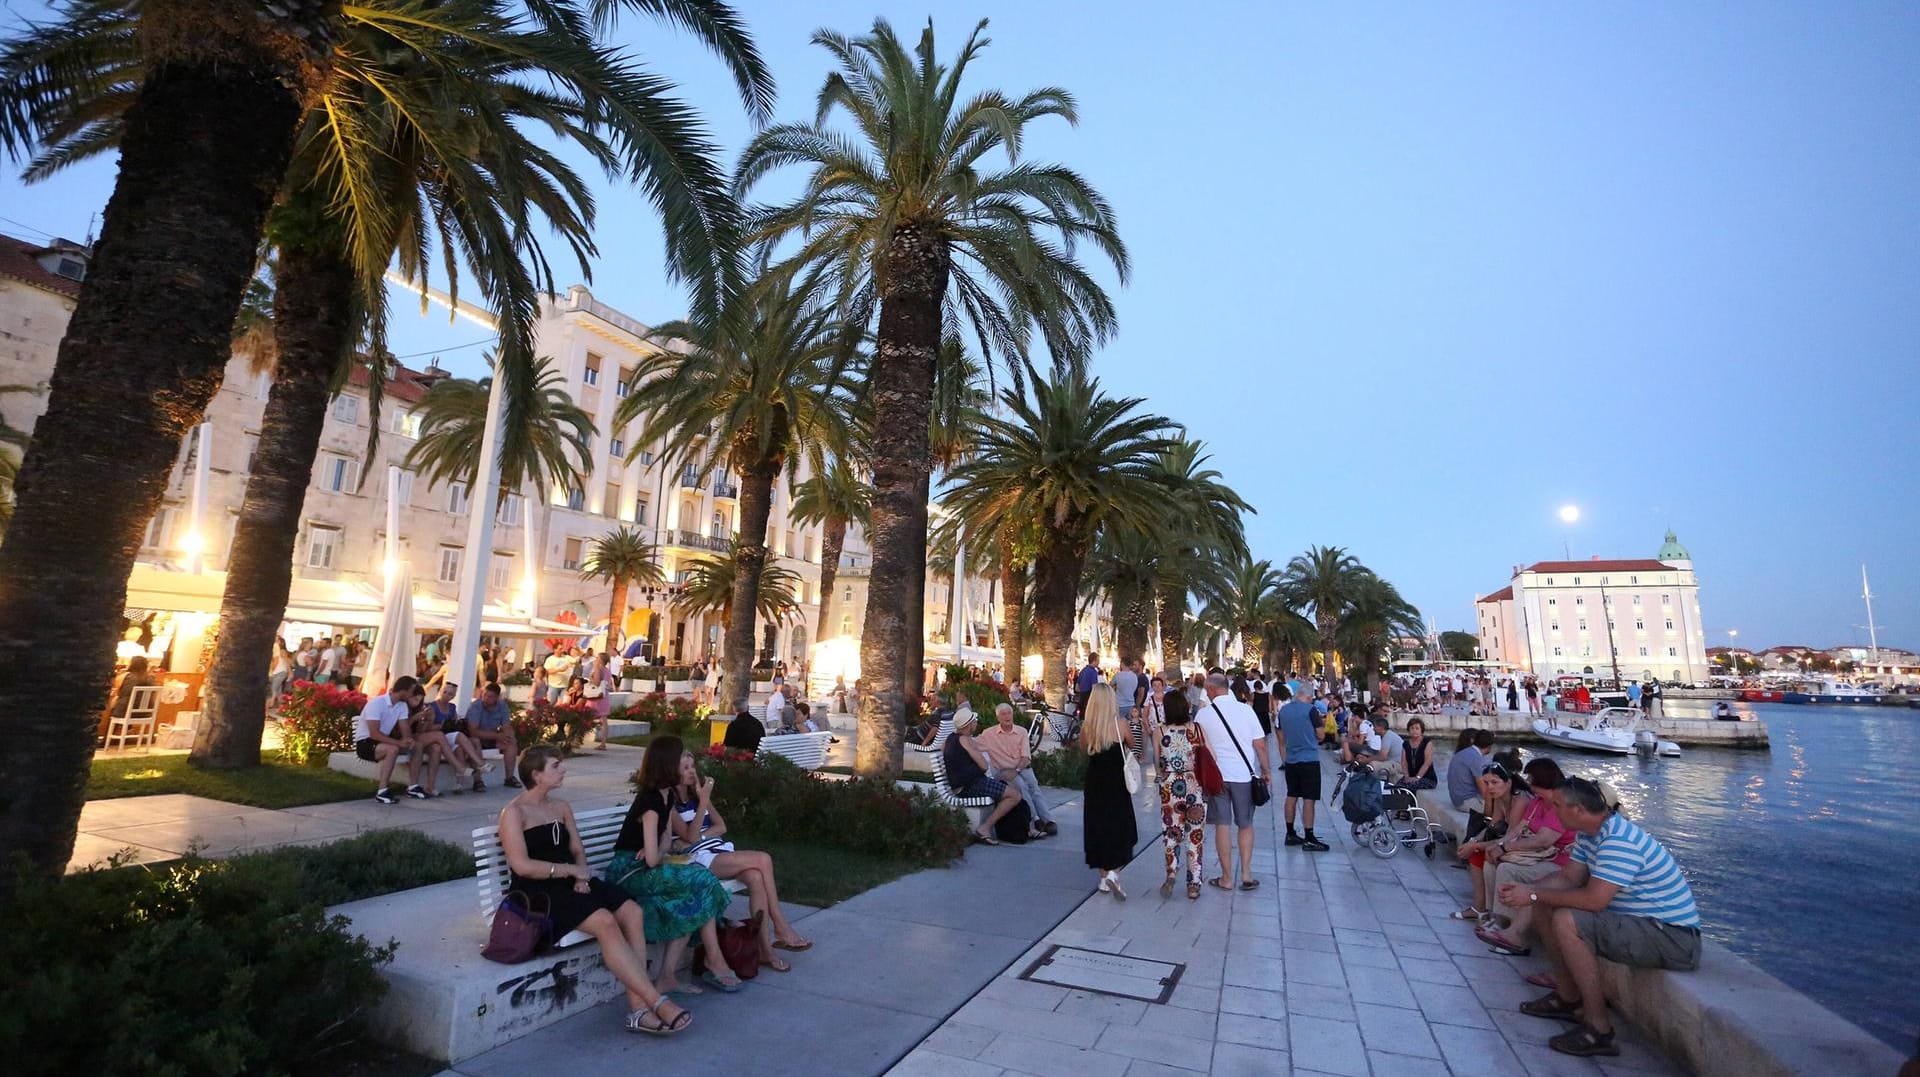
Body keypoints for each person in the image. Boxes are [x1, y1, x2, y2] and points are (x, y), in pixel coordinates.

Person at [1502, 776, 1700, 1059]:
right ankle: (1568, 998)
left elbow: (1595, 900)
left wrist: (1532, 894)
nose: (1553, 811)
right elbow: (1569, 877)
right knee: (1545, 905)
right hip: (1640, 923)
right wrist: (1530, 892)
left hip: (1672, 936)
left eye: (1557, 806)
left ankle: (1598, 1029)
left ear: (1578, 810)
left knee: (1567, 920)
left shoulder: (1618, 841)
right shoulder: (1589, 833)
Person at [500, 747, 689, 1035]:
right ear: (536, 775)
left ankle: (638, 1008)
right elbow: (522, 866)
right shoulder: (514, 813)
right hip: (538, 892)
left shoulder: (561, 806)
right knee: (604, 921)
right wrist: (570, 872)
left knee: (632, 911)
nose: (563, 770)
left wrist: (582, 876)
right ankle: (651, 1001)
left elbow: (576, 848)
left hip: (573, 880)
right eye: (556, 766)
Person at [608, 737, 745, 996]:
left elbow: (664, 842)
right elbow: (652, 858)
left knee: (695, 892)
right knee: (702, 881)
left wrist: (660, 849)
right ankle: (716, 948)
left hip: (647, 864)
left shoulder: (665, 796)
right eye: (680, 760)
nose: (687, 767)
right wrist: (658, 850)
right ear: (666, 765)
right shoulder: (650, 801)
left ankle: (668, 977)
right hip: (629, 871)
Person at [666, 748, 816, 962]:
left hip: (717, 850)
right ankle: (780, 926)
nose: (692, 772)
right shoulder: (670, 804)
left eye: (693, 766)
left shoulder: (698, 795)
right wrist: (702, 805)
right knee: (763, 859)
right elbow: (688, 838)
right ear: (673, 772)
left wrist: (701, 818)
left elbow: (720, 826)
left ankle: (765, 950)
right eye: (686, 768)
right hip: (696, 860)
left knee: (756, 876)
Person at [1478, 758, 1575, 955]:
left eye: (1531, 778)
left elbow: (1544, 840)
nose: (1527, 782)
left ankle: (1511, 930)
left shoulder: (1559, 806)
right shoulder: (1538, 803)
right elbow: (1518, 829)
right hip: (1538, 856)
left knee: (1507, 869)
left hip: (1557, 861)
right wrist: (1499, 846)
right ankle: (1496, 917)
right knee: (1491, 863)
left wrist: (1505, 849)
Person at [1194, 672, 1271, 890]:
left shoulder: (1203, 715)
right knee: (1245, 824)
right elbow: (1260, 745)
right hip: (1243, 776)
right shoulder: (1246, 710)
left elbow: (1199, 748)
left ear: (1210, 690)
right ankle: (1246, 874)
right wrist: (1266, 770)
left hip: (1216, 777)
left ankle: (1226, 878)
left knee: (1222, 824)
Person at [1449, 761, 1529, 922]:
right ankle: (1479, 907)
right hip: (1507, 840)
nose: (1490, 787)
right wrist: (1473, 841)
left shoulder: (1520, 801)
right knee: (1476, 854)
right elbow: (1492, 826)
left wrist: (1475, 845)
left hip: (1519, 842)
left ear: (1508, 782)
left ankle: (1495, 914)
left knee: (1484, 854)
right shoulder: (1499, 798)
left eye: (1494, 782)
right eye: (1486, 783)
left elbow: (1511, 835)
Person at [1079, 683, 1138, 899]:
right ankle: (1114, 873)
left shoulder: (1087, 727)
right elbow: (1135, 748)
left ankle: (1103, 877)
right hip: (1117, 784)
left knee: (1097, 827)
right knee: (1121, 828)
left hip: (1095, 784)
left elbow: (1085, 751)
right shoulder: (1121, 724)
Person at [1149, 688, 1209, 898]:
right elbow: (1210, 757)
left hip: (1170, 786)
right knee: (1195, 836)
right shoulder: (1197, 730)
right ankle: (1193, 885)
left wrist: (1163, 775)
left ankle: (1172, 872)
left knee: (1172, 832)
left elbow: (1157, 762)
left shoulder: (1160, 731)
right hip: (1195, 786)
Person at [942, 710, 1026, 845]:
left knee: (1009, 786)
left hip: (965, 783)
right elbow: (984, 765)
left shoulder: (950, 738)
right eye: (974, 721)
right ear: (968, 725)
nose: (976, 723)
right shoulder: (964, 740)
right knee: (1014, 796)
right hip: (969, 786)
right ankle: (984, 828)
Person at [977, 703, 1057, 836]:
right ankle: (1035, 820)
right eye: (1003, 714)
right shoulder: (988, 734)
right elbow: (971, 743)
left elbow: (1025, 757)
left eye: (1009, 713)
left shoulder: (1021, 732)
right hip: (1003, 771)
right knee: (1021, 786)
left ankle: (1048, 820)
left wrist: (1017, 770)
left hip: (1021, 767)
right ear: (998, 718)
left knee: (1033, 786)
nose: (1007, 716)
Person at [1271, 686, 1330, 851]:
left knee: (1291, 795)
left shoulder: (1284, 711)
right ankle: (1309, 836)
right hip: (1309, 759)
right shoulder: (1311, 710)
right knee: (1309, 799)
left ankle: (1290, 833)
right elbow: (1321, 735)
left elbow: (1281, 737)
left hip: (1291, 760)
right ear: (1309, 697)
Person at [357, 675, 423, 804]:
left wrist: (408, 740)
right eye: (411, 691)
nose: (412, 694)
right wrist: (399, 743)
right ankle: (382, 791)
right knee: (392, 749)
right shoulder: (377, 703)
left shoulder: (402, 706)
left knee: (418, 746)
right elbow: (374, 734)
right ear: (404, 690)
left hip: (383, 741)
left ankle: (413, 787)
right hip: (366, 743)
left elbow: (404, 728)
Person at [465, 682, 518, 790]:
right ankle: (478, 781)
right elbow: (473, 731)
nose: (485, 698)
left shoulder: (502, 705)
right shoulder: (476, 706)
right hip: (476, 738)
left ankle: (509, 778)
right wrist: (497, 736)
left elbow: (506, 726)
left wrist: (507, 736)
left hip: (492, 738)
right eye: (484, 695)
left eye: (490, 697)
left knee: (511, 743)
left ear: (497, 698)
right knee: (475, 742)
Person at [585, 654, 615, 750]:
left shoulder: (598, 669)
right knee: (603, 720)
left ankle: (579, 737)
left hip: (596, 698)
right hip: (604, 696)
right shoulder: (607, 671)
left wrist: (594, 670)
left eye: (597, 658)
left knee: (586, 717)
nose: (595, 659)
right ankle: (603, 742)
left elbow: (597, 682)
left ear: (601, 660)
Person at [1398, 717, 1437, 791]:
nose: (1414, 730)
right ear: (1408, 730)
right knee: (1397, 787)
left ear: (1421, 730)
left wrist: (1417, 777)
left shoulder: (1427, 743)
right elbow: (1404, 762)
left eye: (1417, 728)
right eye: (1412, 728)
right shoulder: (1406, 744)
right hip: (1410, 777)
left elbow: (1427, 763)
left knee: (1409, 787)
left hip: (1427, 778)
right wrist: (1406, 776)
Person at [1248, 670, 1272, 735]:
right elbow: (1269, 702)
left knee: (1258, 731)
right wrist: (1270, 710)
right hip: (1265, 712)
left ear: (1255, 687)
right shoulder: (1267, 694)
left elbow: (1251, 703)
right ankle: (1266, 743)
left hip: (1257, 712)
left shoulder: (1253, 694)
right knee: (1266, 731)